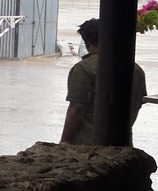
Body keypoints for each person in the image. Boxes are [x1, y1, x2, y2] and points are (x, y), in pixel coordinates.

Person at [60, 18, 147, 146]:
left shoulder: (84, 68)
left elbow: (77, 107)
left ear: (87, 42)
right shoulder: (136, 69)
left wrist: (64, 142)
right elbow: (138, 103)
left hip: (86, 147)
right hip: (123, 146)